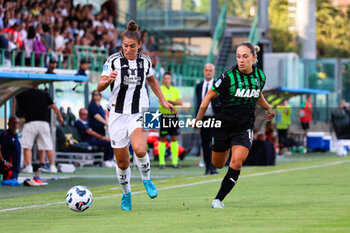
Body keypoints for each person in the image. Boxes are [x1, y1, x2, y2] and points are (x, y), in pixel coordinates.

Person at [97, 20, 175, 211]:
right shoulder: (113, 61)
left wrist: (163, 101)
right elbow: (99, 86)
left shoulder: (145, 61)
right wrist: (107, 81)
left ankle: (147, 180)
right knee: (122, 162)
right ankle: (126, 194)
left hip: (139, 111)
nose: (128, 49)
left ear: (139, 45)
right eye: (125, 46)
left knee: (140, 149)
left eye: (132, 46)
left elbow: (152, 81)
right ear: (121, 45)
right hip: (116, 114)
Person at [195, 42, 275, 208]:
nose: (241, 60)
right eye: (238, 56)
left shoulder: (260, 76)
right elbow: (209, 95)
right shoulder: (228, 77)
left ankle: (218, 200)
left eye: (245, 56)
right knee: (217, 163)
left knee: (237, 162)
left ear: (254, 58)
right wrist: (198, 118)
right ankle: (224, 150)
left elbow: (257, 93)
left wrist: (268, 107)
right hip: (224, 127)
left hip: (244, 128)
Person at [15, 85, 64, 174]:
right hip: (44, 123)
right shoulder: (44, 94)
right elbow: (54, 106)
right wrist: (60, 117)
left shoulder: (24, 93)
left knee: (27, 146)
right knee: (48, 146)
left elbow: (16, 102)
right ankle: (52, 166)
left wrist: (16, 114)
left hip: (30, 122)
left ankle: (29, 166)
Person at [195, 63, 219, 175]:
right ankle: (207, 167)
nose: (208, 72)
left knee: (215, 143)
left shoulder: (218, 85)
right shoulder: (199, 86)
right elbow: (197, 103)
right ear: (204, 71)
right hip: (203, 118)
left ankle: (214, 166)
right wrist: (197, 119)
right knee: (205, 143)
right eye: (206, 70)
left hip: (215, 117)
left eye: (210, 70)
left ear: (213, 72)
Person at [158, 72, 182, 168]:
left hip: (173, 117)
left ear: (171, 79)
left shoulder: (175, 90)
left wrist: (170, 102)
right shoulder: (160, 89)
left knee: (174, 138)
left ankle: (175, 162)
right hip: (164, 116)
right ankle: (161, 162)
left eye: (168, 78)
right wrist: (171, 103)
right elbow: (161, 102)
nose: (166, 80)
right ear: (163, 80)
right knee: (163, 138)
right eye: (165, 78)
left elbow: (180, 102)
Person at [0, 116, 21, 186]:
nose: (15, 125)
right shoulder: (6, 135)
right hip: (9, 169)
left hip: (15, 169)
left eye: (17, 123)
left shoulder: (16, 136)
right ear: (9, 124)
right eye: (13, 123)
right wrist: (4, 161)